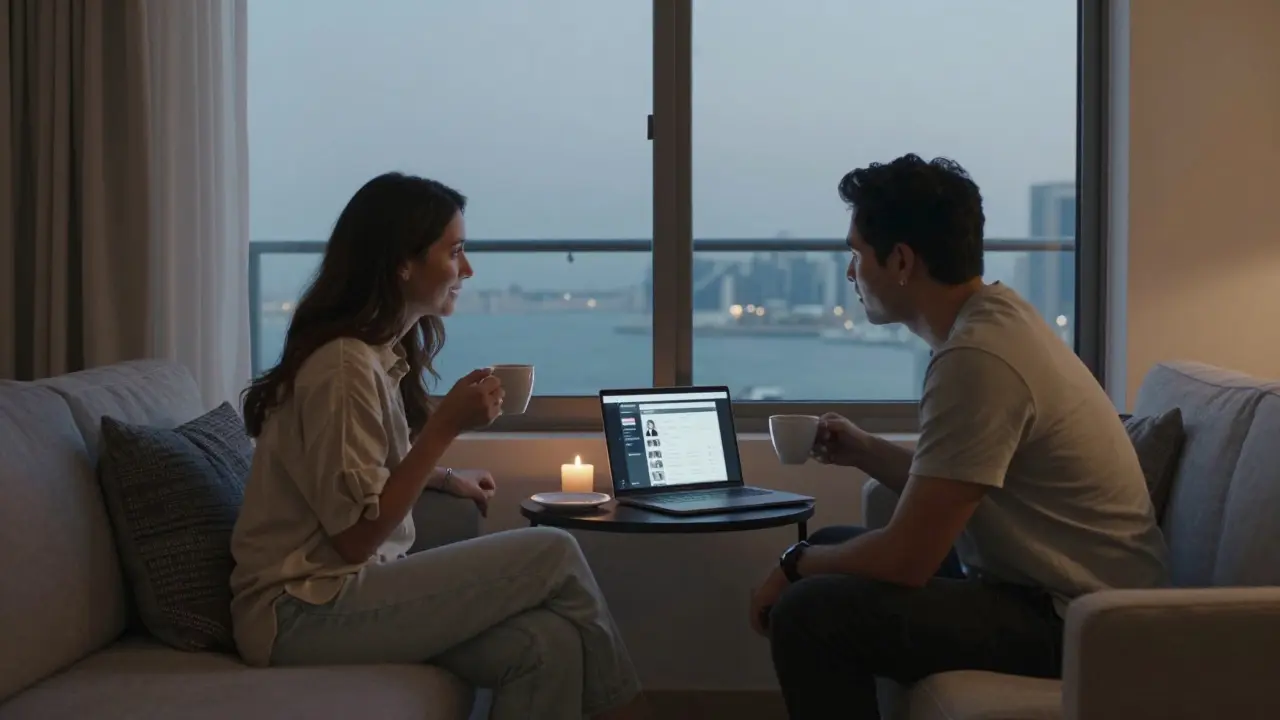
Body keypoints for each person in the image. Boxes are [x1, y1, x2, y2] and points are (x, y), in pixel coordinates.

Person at [748, 154, 1170, 719]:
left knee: (810, 610)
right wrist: (864, 451)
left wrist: (793, 562)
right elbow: (957, 485)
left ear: (901, 260)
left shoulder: (977, 358)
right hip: (1049, 590)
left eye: (856, 253)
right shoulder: (995, 320)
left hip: (1080, 619)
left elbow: (907, 559)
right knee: (835, 544)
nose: (850, 273)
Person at [230, 172, 644, 720]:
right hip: (300, 611)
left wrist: (446, 477)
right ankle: (628, 710)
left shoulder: (375, 358)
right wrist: (443, 429)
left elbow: (357, 470)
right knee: (553, 550)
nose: (466, 270)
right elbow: (354, 539)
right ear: (403, 262)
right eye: (455, 251)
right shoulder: (342, 368)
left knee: (547, 644)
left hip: (340, 594)